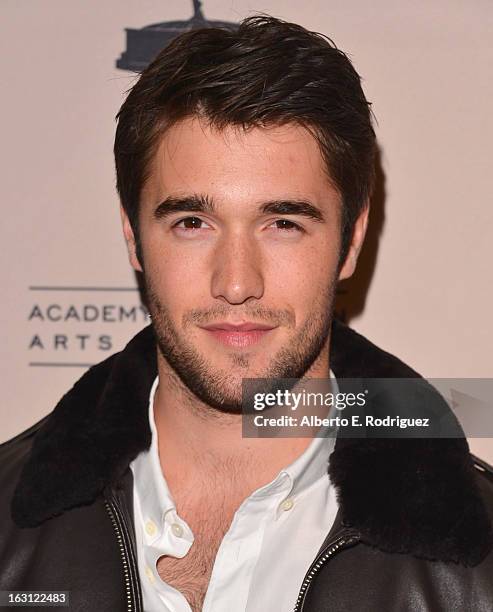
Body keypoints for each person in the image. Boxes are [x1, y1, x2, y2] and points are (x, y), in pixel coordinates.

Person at [1, 14, 492, 612]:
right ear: (133, 238)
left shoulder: (479, 568)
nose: (236, 283)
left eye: (282, 223)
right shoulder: (9, 530)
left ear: (351, 242)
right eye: (192, 223)